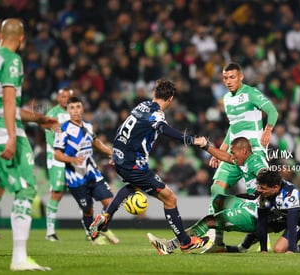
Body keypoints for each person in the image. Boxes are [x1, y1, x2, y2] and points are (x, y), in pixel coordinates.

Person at [89, 78, 210, 253]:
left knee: (134, 186)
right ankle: (185, 242)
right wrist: (192, 140)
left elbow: (123, 128)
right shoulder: (157, 114)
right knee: (170, 199)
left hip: (121, 160)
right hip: (135, 166)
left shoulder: (141, 106)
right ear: (170, 99)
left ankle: (107, 215)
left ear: (154, 93)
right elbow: (165, 130)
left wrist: (116, 151)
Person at [0, 18, 56, 271]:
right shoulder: (12, 60)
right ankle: (19, 258)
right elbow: (8, 103)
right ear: (22, 39)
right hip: (2, 133)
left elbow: (4, 103)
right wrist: (10, 136)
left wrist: (37, 118)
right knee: (26, 190)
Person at [148, 169, 300, 254]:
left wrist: (291, 250)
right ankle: (219, 244)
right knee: (219, 205)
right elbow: (262, 219)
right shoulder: (266, 193)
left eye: (263, 188)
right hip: (276, 217)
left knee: (280, 250)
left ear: (275, 188)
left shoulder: (291, 196)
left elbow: (292, 224)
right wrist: (263, 249)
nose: (259, 191)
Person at [208, 62, 278, 250]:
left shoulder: (251, 92)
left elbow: (272, 110)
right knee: (216, 189)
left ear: (240, 77)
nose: (228, 81)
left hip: (253, 151)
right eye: (225, 78)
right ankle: (218, 242)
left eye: (232, 77)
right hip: (233, 153)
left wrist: (268, 129)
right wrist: (220, 151)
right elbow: (233, 127)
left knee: (261, 195)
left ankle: (264, 234)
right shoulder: (226, 99)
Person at [53, 96, 118, 245]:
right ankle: (93, 236)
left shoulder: (88, 126)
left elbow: (96, 142)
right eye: (72, 107)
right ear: (68, 110)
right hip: (75, 178)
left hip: (92, 173)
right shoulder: (62, 130)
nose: (75, 111)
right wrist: (72, 160)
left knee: (110, 203)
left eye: (78, 107)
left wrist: (110, 153)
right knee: (88, 210)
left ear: (82, 109)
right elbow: (57, 154)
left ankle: (101, 227)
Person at [45, 88, 73, 241]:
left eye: (68, 96)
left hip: (73, 157)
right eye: (63, 96)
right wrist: (61, 152)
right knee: (57, 191)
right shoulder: (52, 114)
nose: (65, 99)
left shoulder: (74, 112)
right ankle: (50, 231)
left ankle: (89, 229)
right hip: (56, 157)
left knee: (82, 190)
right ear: (58, 98)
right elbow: (49, 137)